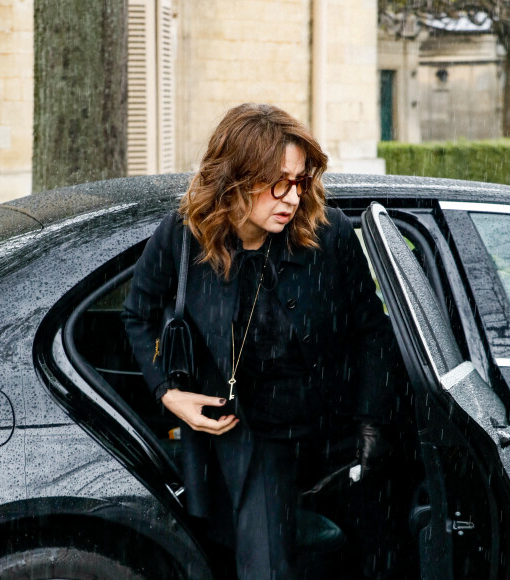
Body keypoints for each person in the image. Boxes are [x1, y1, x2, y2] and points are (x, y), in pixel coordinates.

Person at [122, 103, 399, 579]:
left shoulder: (327, 236)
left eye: (300, 181)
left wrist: (372, 421)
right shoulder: (182, 238)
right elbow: (137, 315)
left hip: (331, 429)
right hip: (248, 435)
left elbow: (372, 332)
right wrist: (169, 395)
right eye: (278, 182)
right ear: (235, 178)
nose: (291, 197)